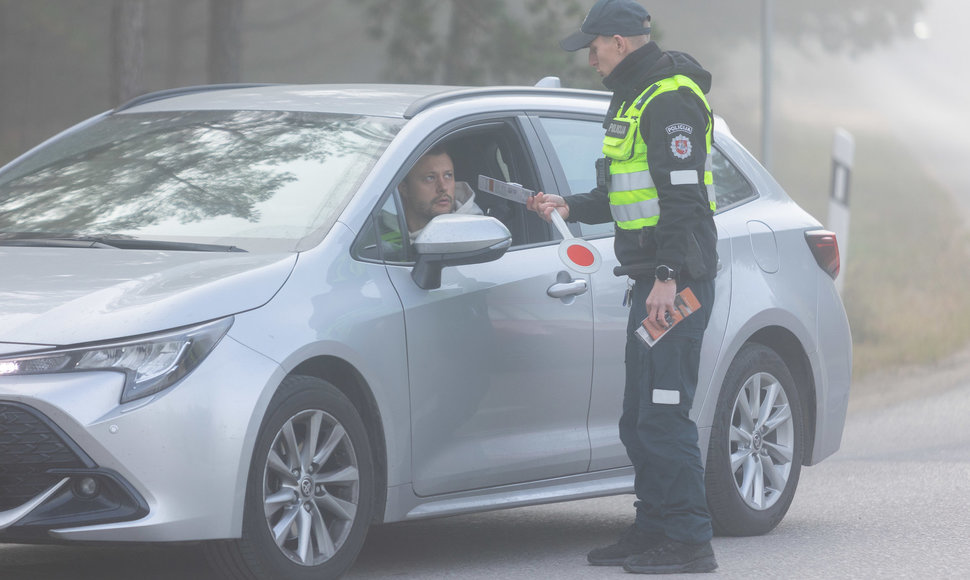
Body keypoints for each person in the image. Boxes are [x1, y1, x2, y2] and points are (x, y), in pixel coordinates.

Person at [528, 0, 719, 574]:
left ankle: (690, 541)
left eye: (593, 46)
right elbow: (627, 195)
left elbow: (683, 199)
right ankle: (654, 527)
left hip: (675, 284)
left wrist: (666, 277)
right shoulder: (633, 96)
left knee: (664, 411)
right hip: (650, 279)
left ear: (620, 41)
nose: (589, 58)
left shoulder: (671, 99)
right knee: (638, 415)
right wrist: (572, 205)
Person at [397, 145, 482, 240]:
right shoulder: (382, 234)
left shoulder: (474, 230)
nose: (443, 187)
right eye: (430, 178)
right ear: (404, 188)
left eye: (448, 175)